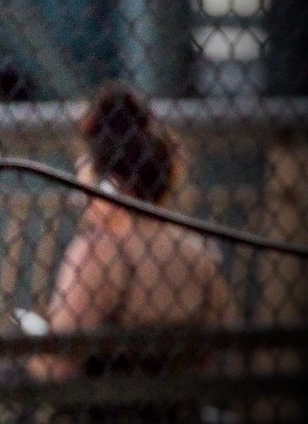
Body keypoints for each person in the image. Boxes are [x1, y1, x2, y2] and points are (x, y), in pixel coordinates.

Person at [27, 81, 237, 381]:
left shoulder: (98, 253)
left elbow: (58, 368)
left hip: (104, 420)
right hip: (183, 415)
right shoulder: (199, 252)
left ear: (107, 184)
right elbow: (212, 351)